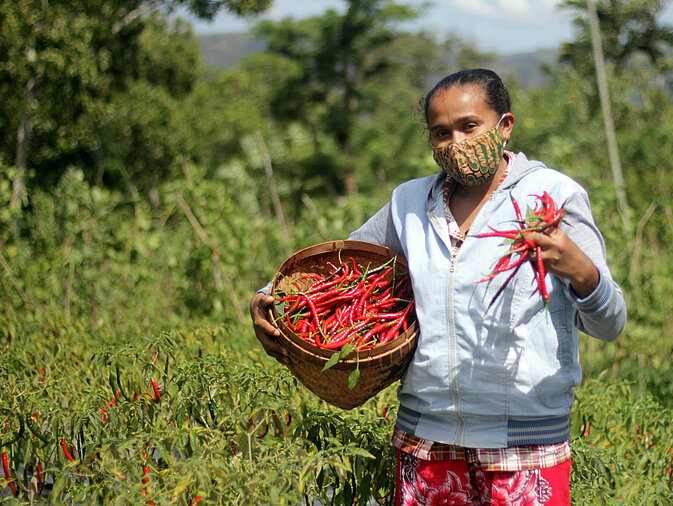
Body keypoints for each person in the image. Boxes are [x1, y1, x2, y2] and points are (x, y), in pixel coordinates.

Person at [250, 68, 626, 505]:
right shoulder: (409, 204)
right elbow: (337, 268)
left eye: (470, 126)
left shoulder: (552, 197)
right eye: (440, 133)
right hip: (426, 440)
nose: (456, 143)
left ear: (504, 126)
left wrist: (583, 274)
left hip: (524, 444)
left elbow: (611, 322)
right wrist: (268, 298)